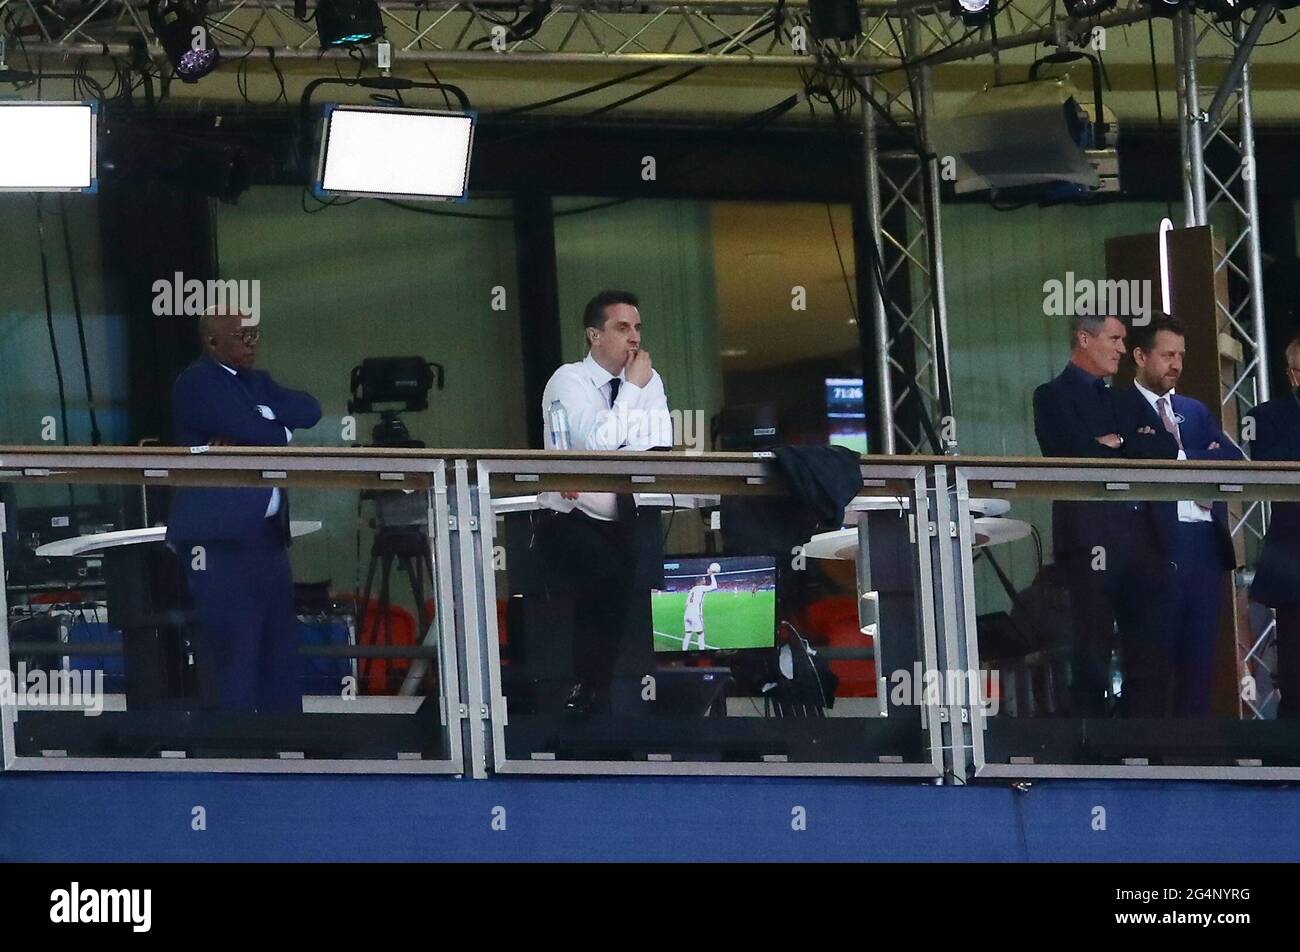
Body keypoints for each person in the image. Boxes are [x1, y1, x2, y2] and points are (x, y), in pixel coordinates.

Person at [167, 309, 322, 712]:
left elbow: (309, 408)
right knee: (235, 644)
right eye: (240, 338)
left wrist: (269, 422)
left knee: (278, 642)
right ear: (213, 343)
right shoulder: (198, 382)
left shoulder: (258, 381)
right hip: (220, 540)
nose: (250, 345)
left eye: (254, 336)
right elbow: (256, 432)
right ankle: (234, 744)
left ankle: (281, 737)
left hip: (267, 537)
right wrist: (272, 426)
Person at [535, 289, 671, 714]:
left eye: (638, 328)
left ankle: (614, 698)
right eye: (622, 327)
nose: (634, 338)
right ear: (595, 335)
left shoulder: (650, 379)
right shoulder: (568, 379)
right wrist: (630, 392)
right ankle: (588, 693)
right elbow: (594, 445)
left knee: (631, 584)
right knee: (605, 576)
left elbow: (657, 446)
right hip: (569, 517)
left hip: (627, 516)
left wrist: (614, 442)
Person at [1032, 314, 1174, 716]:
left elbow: (1164, 448)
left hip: (1143, 539)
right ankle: (1092, 752)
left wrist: (1116, 443)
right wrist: (1125, 445)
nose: (1122, 349)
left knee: (1148, 651)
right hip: (1089, 539)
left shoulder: (1125, 398)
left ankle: (1141, 748)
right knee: (1092, 649)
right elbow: (1067, 454)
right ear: (1084, 338)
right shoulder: (1051, 395)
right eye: (1114, 339)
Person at [1116, 316, 1241, 716]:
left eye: (1181, 356)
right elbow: (1128, 455)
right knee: (1152, 663)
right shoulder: (1120, 406)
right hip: (1153, 544)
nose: (1176, 364)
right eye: (1167, 354)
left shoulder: (1194, 410)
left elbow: (1232, 459)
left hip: (1204, 545)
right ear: (1140, 355)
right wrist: (1192, 457)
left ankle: (1195, 759)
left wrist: (1180, 458)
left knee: (1199, 661)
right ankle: (1146, 758)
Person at [1245, 333, 1300, 718]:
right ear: (1293, 375)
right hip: (1295, 558)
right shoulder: (1267, 417)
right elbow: (1271, 467)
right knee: (1296, 668)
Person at [681, 567, 718, 651]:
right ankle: (702, 651)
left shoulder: (692, 590)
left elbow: (686, 603)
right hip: (695, 614)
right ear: (700, 581)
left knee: (688, 634)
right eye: (704, 580)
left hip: (687, 614)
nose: (705, 581)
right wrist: (711, 575)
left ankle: (684, 650)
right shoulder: (701, 588)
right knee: (700, 634)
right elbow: (714, 586)